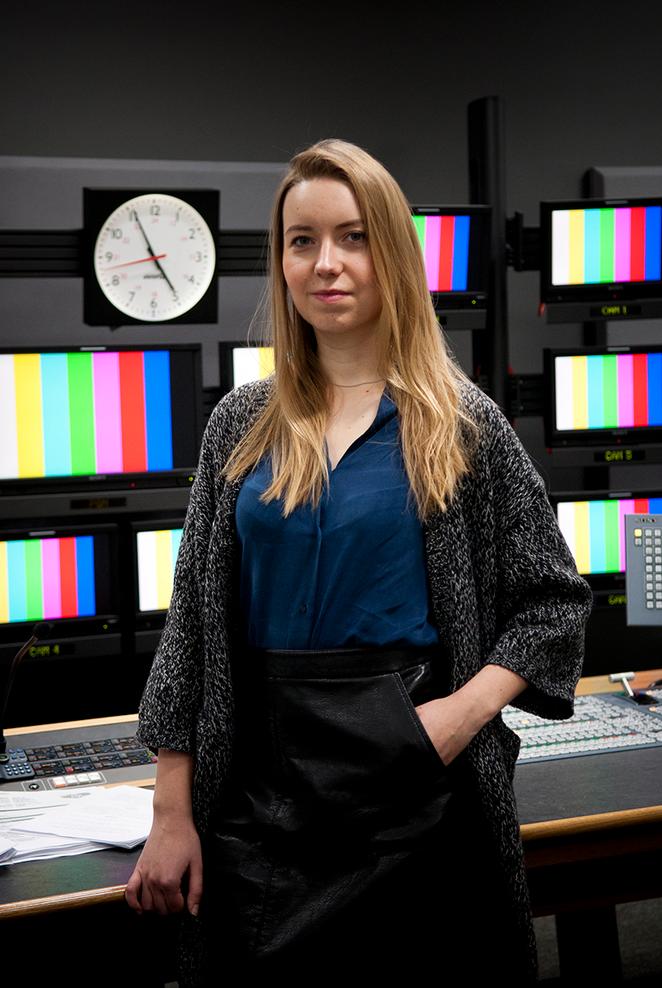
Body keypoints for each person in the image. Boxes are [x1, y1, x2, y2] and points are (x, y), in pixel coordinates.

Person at [125, 138, 594, 985]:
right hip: (261, 806)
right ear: (281, 261)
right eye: (301, 240)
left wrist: (459, 716)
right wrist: (171, 809)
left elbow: (554, 602)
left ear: (392, 253)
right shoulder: (242, 422)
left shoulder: (462, 424)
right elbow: (192, 626)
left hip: (416, 805)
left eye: (352, 237)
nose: (326, 264)